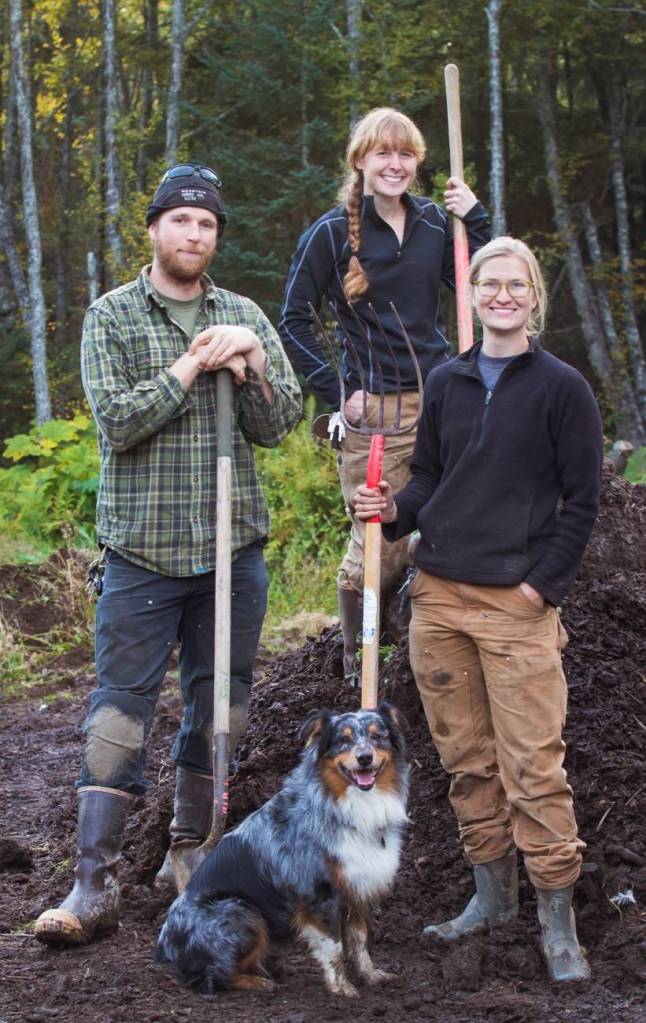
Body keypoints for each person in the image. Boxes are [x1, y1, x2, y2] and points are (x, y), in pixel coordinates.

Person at [34, 164, 302, 947]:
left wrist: (250, 357)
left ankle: (193, 858)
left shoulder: (243, 313)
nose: (194, 235)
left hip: (230, 551)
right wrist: (191, 365)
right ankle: (93, 881)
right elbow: (118, 421)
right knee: (119, 714)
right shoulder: (113, 315)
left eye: (207, 224)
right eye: (181, 220)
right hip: (142, 555)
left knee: (222, 703)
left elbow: (278, 422)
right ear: (153, 228)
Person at [352, 237, 603, 983]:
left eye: (514, 284)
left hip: (517, 606)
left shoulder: (563, 388)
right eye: (487, 283)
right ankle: (492, 897)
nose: (501, 294)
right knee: (467, 762)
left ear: (533, 297)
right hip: (439, 601)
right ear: (471, 295)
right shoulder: (450, 380)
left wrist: (540, 587)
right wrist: (393, 509)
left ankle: (558, 922)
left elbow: (582, 501)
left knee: (534, 764)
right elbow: (431, 478)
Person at [279, 107, 491, 687]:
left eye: (406, 154)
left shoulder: (432, 224)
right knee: (383, 542)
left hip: (446, 403)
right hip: (378, 416)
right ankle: (359, 664)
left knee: (453, 523)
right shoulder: (329, 233)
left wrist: (476, 219)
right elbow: (294, 318)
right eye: (383, 153)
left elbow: (485, 282)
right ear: (360, 161)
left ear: (417, 162)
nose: (395, 163)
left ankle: (433, 644)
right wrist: (336, 389)